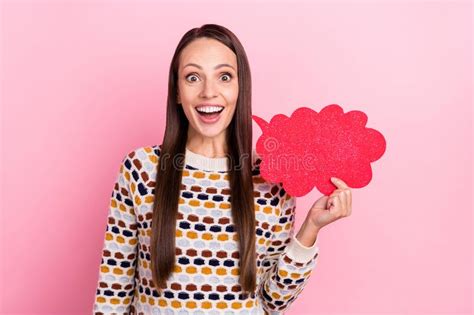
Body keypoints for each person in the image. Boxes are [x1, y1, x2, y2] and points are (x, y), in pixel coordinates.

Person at [93, 23, 352, 315]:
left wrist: (311, 228)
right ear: (177, 91)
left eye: (224, 77)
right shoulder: (141, 170)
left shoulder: (270, 177)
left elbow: (273, 302)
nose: (208, 92)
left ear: (240, 88)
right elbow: (112, 292)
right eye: (193, 77)